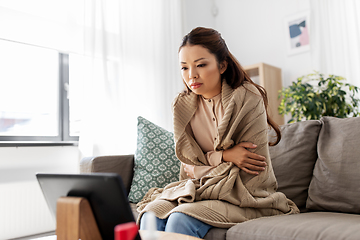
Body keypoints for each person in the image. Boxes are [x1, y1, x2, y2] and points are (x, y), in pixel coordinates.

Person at [138, 27, 299, 238]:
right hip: (200, 190)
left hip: (246, 194)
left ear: (222, 65)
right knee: (151, 216)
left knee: (179, 219)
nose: (191, 75)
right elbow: (187, 164)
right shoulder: (181, 106)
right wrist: (224, 156)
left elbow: (246, 170)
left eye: (201, 65)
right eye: (184, 68)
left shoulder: (247, 99)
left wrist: (200, 168)